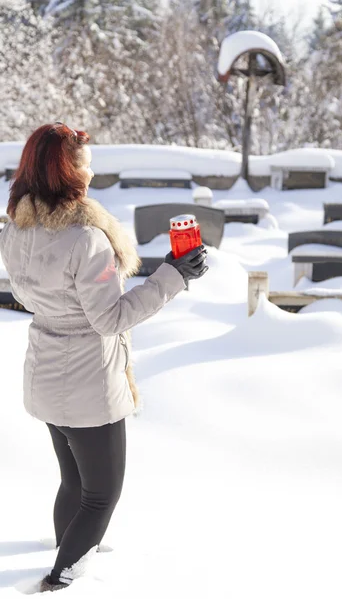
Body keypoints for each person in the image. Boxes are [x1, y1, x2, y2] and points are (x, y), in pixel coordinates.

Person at [0, 123, 208, 592]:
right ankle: (63, 576)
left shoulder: (15, 230)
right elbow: (110, 319)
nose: (90, 172)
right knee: (102, 494)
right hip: (89, 384)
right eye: (84, 163)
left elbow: (49, 298)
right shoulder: (86, 239)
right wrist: (173, 276)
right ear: (65, 170)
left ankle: (70, 547)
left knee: (73, 481)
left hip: (46, 373)